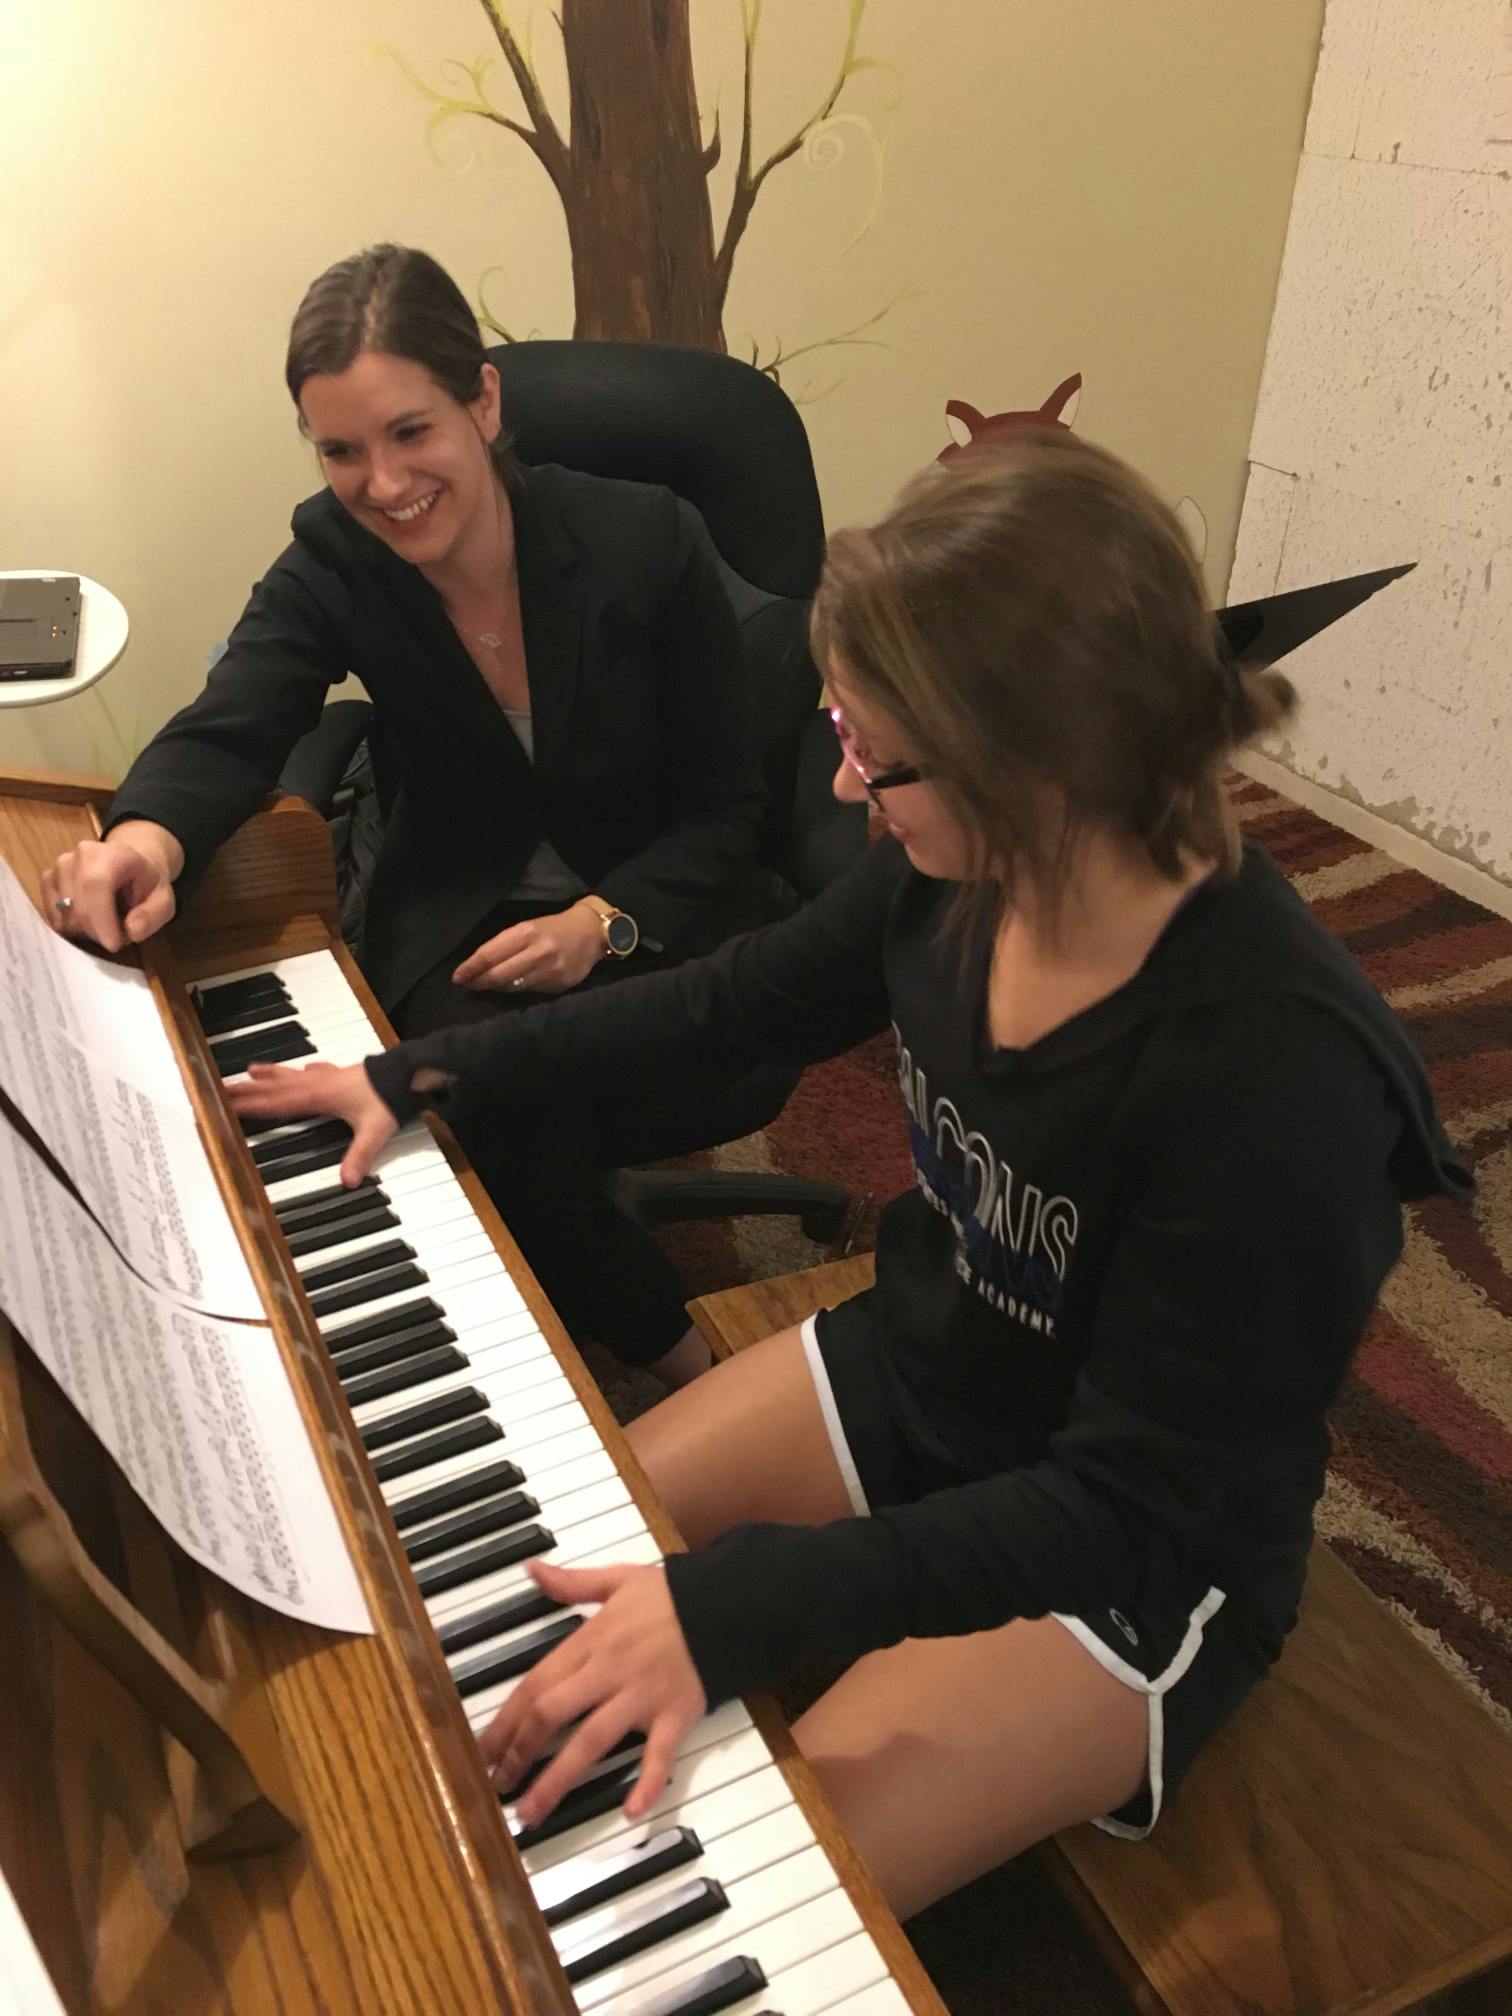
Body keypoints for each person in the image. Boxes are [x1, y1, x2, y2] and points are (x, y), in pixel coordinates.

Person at [222, 430, 1470, 1921]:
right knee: (507, 1607)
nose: (839, 775)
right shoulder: (956, 865)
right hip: (926, 1372)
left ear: (1039, 769)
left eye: (872, 750)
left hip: (1137, 1551)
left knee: (717, 1882)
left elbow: (1134, 1501)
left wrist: (737, 1606)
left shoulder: (1276, 1078)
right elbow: (732, 1001)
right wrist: (422, 1071)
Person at [41, 243, 784, 1388]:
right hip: (467, 902)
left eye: (410, 433)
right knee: (473, 1070)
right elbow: (237, 715)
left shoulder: (647, 540)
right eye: (341, 449)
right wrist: (143, 835)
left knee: (492, 1092)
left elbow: (731, 807)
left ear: (483, 402)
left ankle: (670, 1370)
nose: (382, 485)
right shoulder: (337, 556)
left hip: (654, 900)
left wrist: (605, 921)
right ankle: (668, 1352)